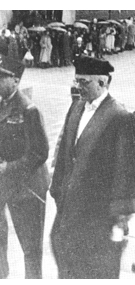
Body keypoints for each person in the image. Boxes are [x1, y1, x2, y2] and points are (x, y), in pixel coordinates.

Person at [50, 55, 135, 279]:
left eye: (84, 82)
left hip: (98, 214)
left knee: (96, 268)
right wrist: (57, 190)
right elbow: (65, 155)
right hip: (70, 207)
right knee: (64, 255)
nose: (79, 87)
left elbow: (124, 169)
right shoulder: (76, 108)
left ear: (102, 82)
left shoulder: (119, 116)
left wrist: (120, 216)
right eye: (76, 81)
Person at [0, 56, 50, 279]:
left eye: (1, 77)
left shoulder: (28, 109)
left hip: (27, 183)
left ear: (15, 80)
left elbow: (39, 153)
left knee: (30, 245)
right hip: (0, 176)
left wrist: (9, 166)